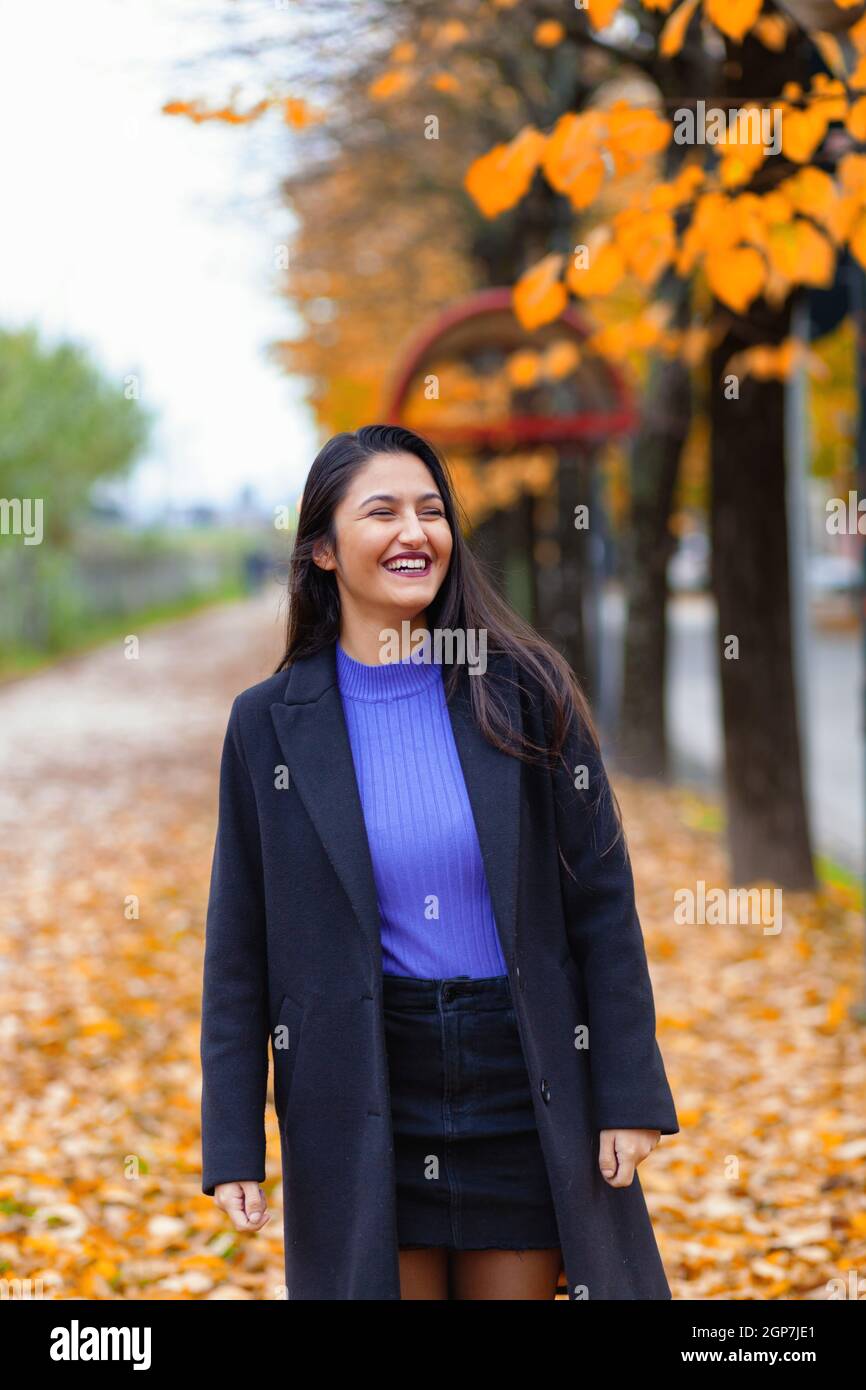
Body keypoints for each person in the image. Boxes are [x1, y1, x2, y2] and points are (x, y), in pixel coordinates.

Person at [200, 423, 679, 1301]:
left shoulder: (525, 689)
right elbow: (239, 942)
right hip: (362, 1083)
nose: (414, 532)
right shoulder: (267, 722)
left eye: (431, 511)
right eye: (381, 511)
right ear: (322, 550)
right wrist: (233, 1138)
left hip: (523, 1074)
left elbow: (602, 902)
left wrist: (629, 1091)